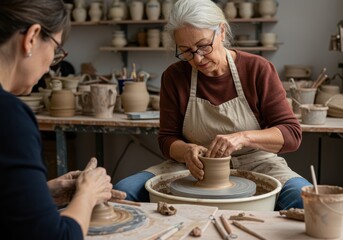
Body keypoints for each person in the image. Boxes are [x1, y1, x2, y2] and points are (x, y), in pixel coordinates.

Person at [114, 0, 312, 210]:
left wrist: (243, 137)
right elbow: (166, 139)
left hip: (258, 163)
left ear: (222, 32)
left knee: (306, 201)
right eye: (186, 51)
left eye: (203, 46)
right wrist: (186, 151)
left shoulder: (258, 69)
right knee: (123, 192)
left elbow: (292, 134)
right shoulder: (174, 76)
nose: (197, 59)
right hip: (193, 166)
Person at [0, 1, 126, 239]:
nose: (50, 66)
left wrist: (42, 192)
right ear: (32, 37)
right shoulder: (10, 117)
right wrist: (88, 195)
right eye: (56, 50)